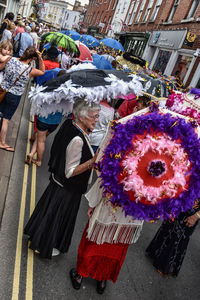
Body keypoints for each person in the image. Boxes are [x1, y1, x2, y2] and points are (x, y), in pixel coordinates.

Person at [69, 113, 144, 294]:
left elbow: (104, 174)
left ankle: (80, 274)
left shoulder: (124, 139)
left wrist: (93, 203)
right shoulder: (166, 155)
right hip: (132, 215)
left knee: (94, 240)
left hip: (109, 207)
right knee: (115, 247)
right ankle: (102, 280)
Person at [24, 99, 101, 258]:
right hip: (66, 191)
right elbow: (69, 172)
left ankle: (39, 239)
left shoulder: (70, 125)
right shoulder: (78, 139)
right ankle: (44, 245)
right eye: (94, 116)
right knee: (55, 220)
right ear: (81, 116)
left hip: (59, 187)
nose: (97, 120)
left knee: (49, 216)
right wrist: (91, 163)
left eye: (97, 116)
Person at [0, 47, 45, 152]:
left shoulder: (10, 59)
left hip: (2, 90)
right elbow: (42, 71)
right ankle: (2, 142)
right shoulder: (29, 70)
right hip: (14, 96)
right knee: (6, 119)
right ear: (32, 58)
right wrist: (40, 57)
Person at [146, 201, 200, 277]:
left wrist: (196, 216)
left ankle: (166, 265)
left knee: (178, 236)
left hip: (192, 211)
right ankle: (155, 253)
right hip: (179, 202)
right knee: (167, 225)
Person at [25, 69, 63, 167]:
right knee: (40, 137)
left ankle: (39, 161)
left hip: (43, 119)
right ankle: (31, 154)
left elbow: (38, 99)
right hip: (55, 122)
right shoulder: (67, 93)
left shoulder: (49, 86)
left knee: (41, 140)